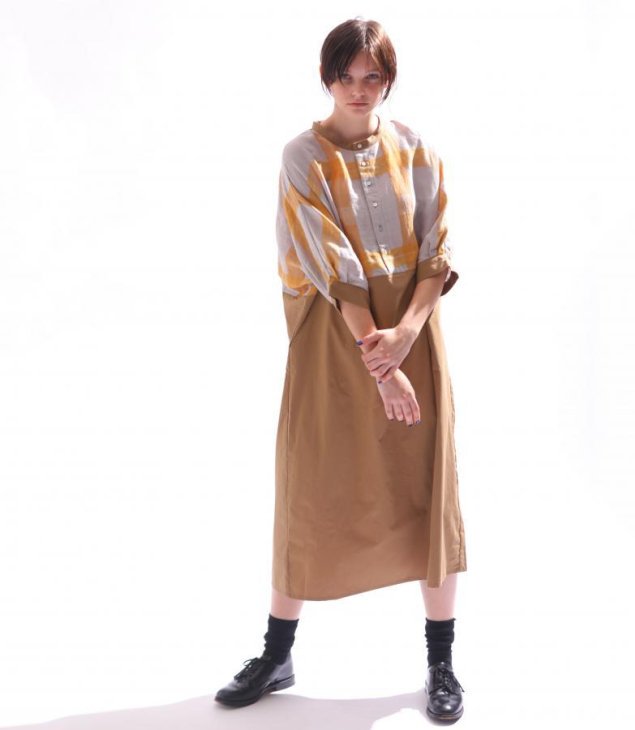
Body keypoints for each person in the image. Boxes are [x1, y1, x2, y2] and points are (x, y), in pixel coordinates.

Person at [214, 17, 467, 722]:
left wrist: (406, 337)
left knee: (427, 490)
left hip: (412, 336)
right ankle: (277, 653)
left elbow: (435, 252)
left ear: (388, 80)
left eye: (372, 77)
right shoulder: (303, 156)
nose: (358, 89)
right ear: (326, 79)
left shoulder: (417, 150)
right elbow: (330, 261)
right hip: (336, 336)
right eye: (345, 76)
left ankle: (441, 665)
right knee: (311, 485)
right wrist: (381, 365)